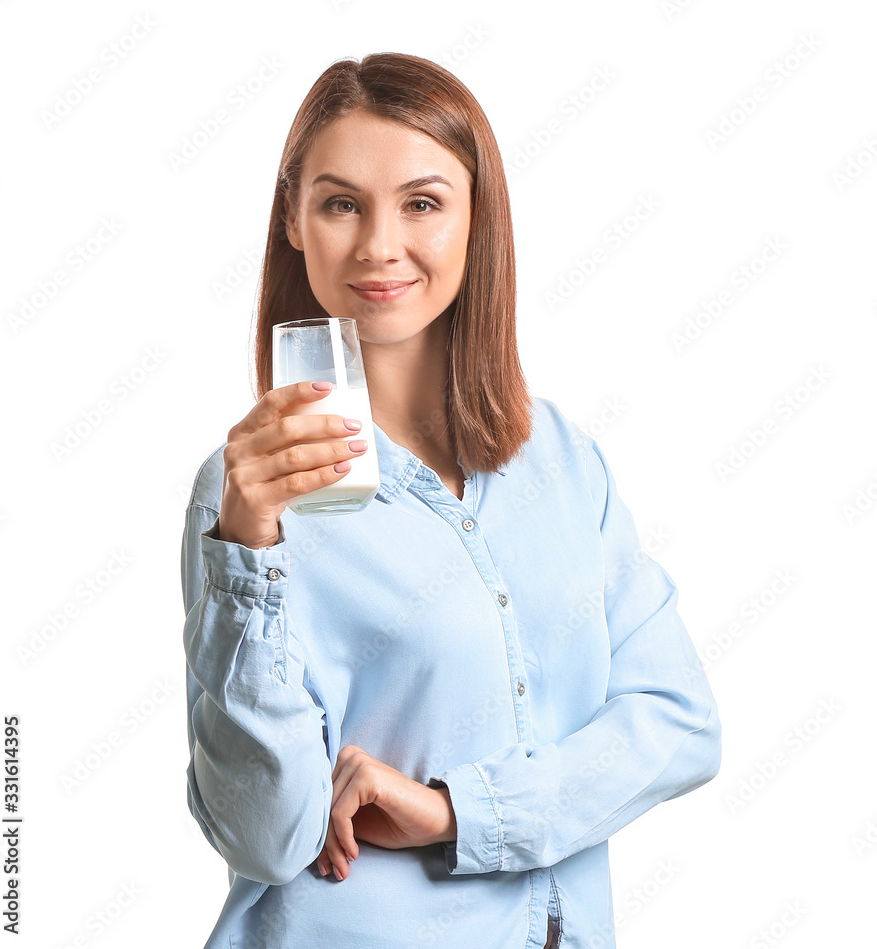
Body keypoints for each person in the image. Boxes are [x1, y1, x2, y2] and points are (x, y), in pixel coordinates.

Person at [180, 52, 722, 949]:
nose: (378, 245)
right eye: (341, 202)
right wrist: (248, 553)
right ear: (294, 220)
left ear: (479, 219)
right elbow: (266, 836)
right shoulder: (248, 493)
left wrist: (457, 813)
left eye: (422, 203)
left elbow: (678, 723)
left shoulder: (560, 458)